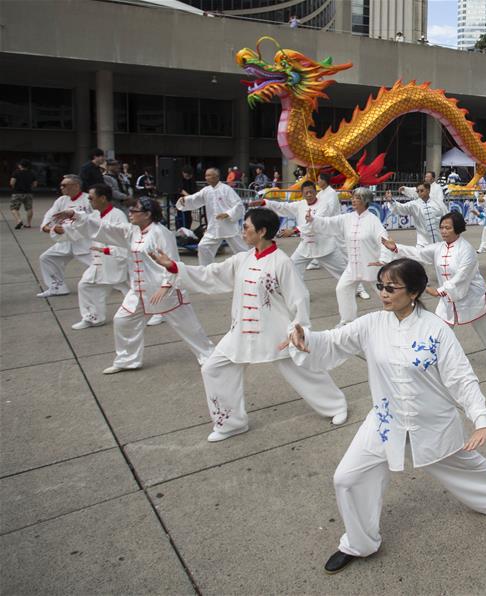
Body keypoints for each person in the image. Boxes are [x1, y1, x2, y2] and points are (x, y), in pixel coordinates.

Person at [284, 258, 486, 574]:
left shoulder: (436, 330)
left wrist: (481, 418)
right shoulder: (372, 324)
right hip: (385, 421)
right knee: (346, 478)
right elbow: (334, 340)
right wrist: (306, 339)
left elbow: (461, 377)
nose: (383, 293)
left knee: (464, 463)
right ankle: (359, 543)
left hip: (432, 419)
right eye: (380, 286)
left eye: (391, 288)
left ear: (413, 292)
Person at [149, 208, 347, 442]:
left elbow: (299, 298)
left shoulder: (282, 262)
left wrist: (298, 328)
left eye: (246, 227)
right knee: (213, 368)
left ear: (262, 232)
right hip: (240, 331)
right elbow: (211, 274)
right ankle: (231, 423)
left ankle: (335, 406)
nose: (242, 231)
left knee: (302, 369)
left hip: (276, 332)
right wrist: (173, 266)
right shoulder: (243, 258)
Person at [54, 196, 214, 374]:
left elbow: (171, 261)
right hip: (139, 290)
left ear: (147, 214)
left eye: (134, 211)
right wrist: (75, 215)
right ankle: (127, 360)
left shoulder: (161, 233)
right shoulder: (132, 231)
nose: (129, 214)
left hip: (165, 291)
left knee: (188, 327)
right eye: (129, 210)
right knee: (123, 321)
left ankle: (208, 356)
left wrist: (166, 285)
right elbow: (103, 228)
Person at [382, 211, 486, 373]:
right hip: (449, 300)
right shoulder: (438, 248)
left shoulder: (466, 249)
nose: (443, 231)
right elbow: (419, 253)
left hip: (473, 298)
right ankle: (429, 359)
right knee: (436, 329)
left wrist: (440, 290)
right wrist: (396, 247)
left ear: (458, 229)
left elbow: (462, 276)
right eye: (441, 227)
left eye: (447, 228)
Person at [306, 187, 389, 325]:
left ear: (364, 201)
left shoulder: (373, 220)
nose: (353, 200)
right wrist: (313, 219)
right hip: (353, 266)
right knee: (342, 289)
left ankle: (398, 316)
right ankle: (348, 321)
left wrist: (383, 260)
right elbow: (329, 222)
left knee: (386, 294)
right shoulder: (347, 218)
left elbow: (384, 238)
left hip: (372, 266)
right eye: (353, 197)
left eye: (356, 197)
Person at [65, 183, 130, 329]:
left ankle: (151, 313)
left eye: (91, 198)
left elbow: (124, 240)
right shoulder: (94, 215)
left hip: (114, 262)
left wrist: (107, 251)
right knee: (85, 285)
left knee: (131, 291)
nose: (89, 200)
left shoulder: (118, 215)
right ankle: (93, 317)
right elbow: (82, 229)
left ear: (103, 198)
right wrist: (62, 230)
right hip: (99, 262)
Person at [176, 168, 249, 266]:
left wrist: (228, 214)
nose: (206, 178)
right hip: (214, 227)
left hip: (229, 226)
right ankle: (206, 270)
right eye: (206, 175)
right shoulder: (206, 190)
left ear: (217, 177)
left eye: (209, 175)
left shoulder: (226, 189)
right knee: (203, 247)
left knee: (241, 250)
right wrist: (185, 200)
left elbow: (239, 205)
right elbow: (195, 198)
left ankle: (249, 266)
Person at [36, 175, 93, 297]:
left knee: (101, 264)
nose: (61, 187)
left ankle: (122, 283)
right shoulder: (61, 200)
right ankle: (57, 287)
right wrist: (46, 226)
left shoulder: (88, 199)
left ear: (76, 186)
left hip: (84, 241)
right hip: (65, 241)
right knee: (47, 258)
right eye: (61, 185)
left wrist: (68, 229)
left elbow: (92, 220)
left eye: (65, 185)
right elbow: (50, 215)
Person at [386, 181, 448, 247]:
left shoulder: (438, 204)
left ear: (428, 190)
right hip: (423, 244)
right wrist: (391, 201)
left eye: (421, 191)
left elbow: (447, 218)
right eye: (417, 191)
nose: (419, 193)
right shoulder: (414, 204)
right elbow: (401, 208)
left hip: (440, 242)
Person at [9, 159, 37, 229]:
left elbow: (12, 182)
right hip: (28, 193)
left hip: (17, 193)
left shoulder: (16, 172)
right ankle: (28, 224)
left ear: (20, 165)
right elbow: (35, 184)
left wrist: (14, 187)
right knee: (29, 208)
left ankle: (19, 221)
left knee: (14, 208)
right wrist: (30, 187)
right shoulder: (31, 173)